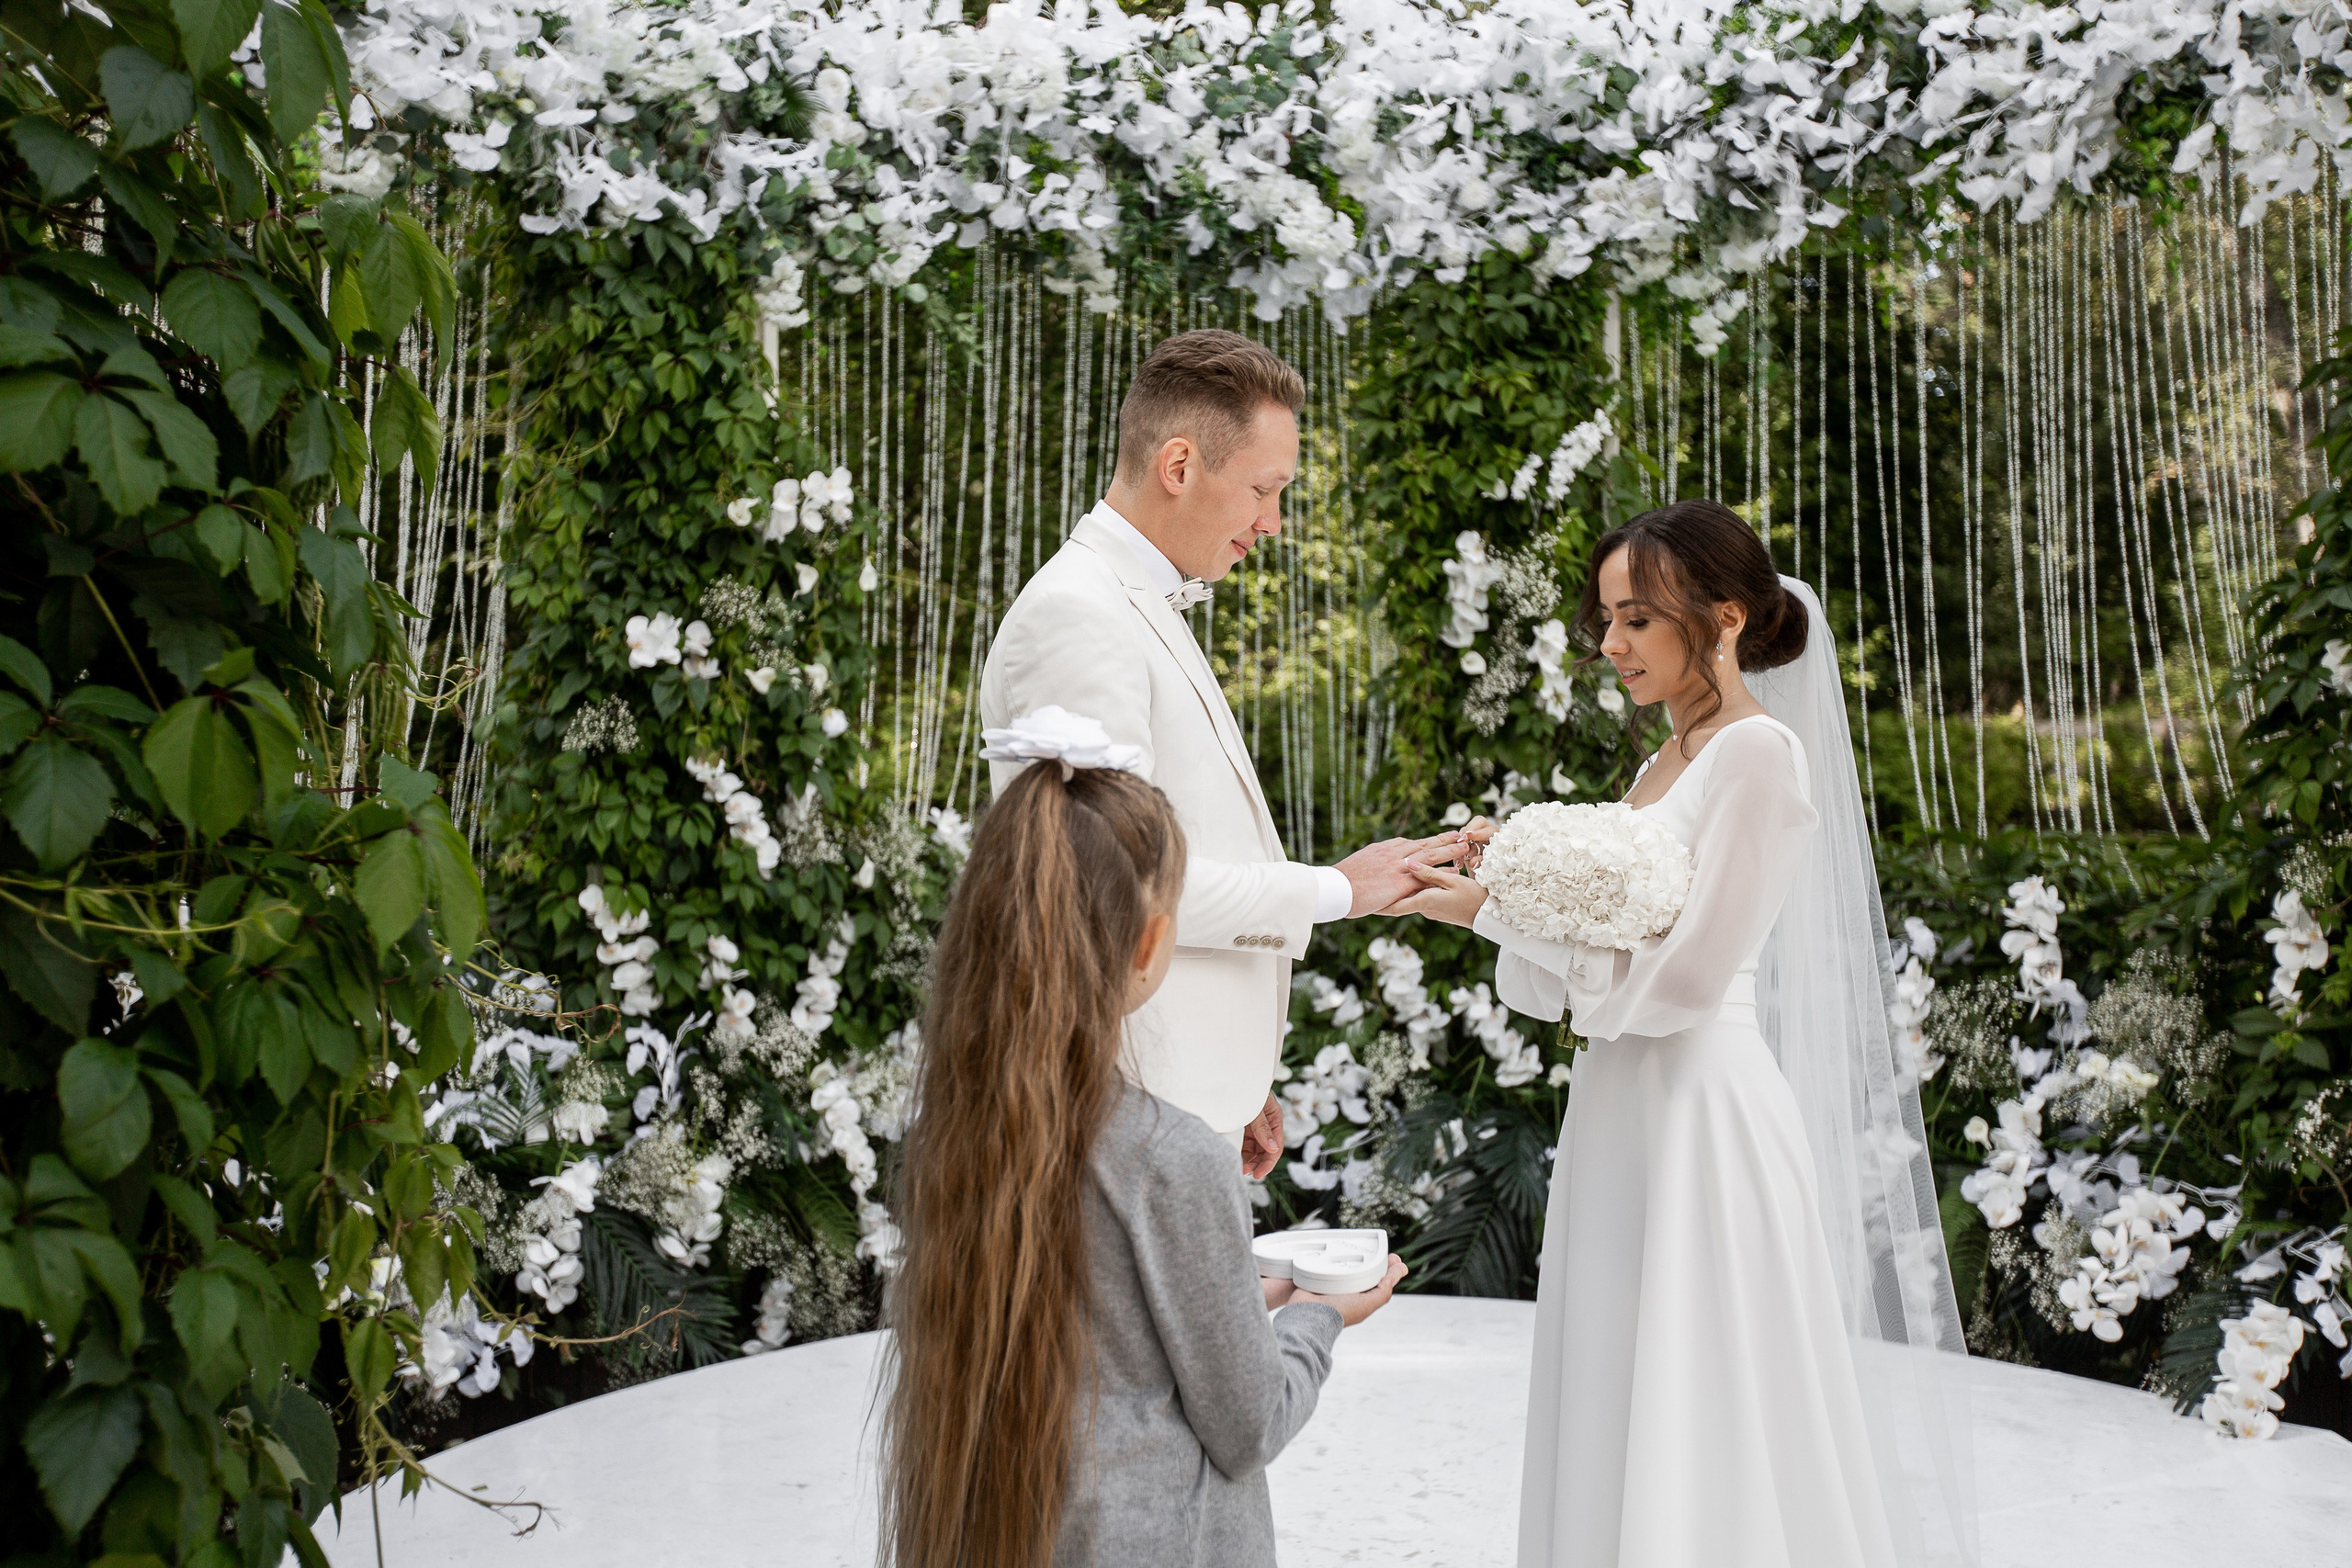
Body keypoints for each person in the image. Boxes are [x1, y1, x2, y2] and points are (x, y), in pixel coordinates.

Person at [1387, 500, 1976, 1568]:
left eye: (1638, 620)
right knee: (1619, 1366)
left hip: (1702, 1106)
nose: (1611, 645)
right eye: (1606, 619)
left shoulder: (1758, 757)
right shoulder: (1665, 759)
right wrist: (1493, 888)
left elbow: (1693, 977)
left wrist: (1493, 911)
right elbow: (1613, 941)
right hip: (1623, 1096)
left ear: (1726, 618)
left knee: (1707, 1383)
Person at [879, 739, 1406, 1568]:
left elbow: (1096, 1329)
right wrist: (1318, 1315)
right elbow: (1250, 1424)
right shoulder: (1171, 1155)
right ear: (1152, 942)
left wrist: (1235, 1296)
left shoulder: (957, 1132)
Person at [978, 328, 1460, 1173]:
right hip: (1119, 1114)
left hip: (1176, 1102)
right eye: (1264, 490)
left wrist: (1231, 1082)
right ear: (1179, 465)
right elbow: (1116, 888)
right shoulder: (1078, 614)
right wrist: (1340, 889)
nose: (1272, 522)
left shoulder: (1136, 600)